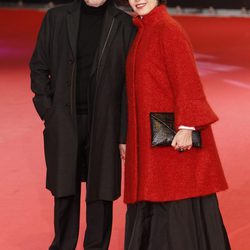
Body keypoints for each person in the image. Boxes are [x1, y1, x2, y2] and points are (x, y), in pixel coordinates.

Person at [123, 0, 231, 249]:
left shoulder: (167, 30)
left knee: (174, 207)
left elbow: (187, 79)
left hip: (171, 144)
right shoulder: (144, 30)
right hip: (151, 144)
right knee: (159, 202)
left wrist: (187, 126)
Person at [30, 0, 135, 248]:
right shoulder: (56, 18)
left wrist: (123, 133)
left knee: (101, 193)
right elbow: (38, 66)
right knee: (65, 191)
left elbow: (129, 85)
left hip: (105, 124)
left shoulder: (125, 25)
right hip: (64, 121)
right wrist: (48, 111)